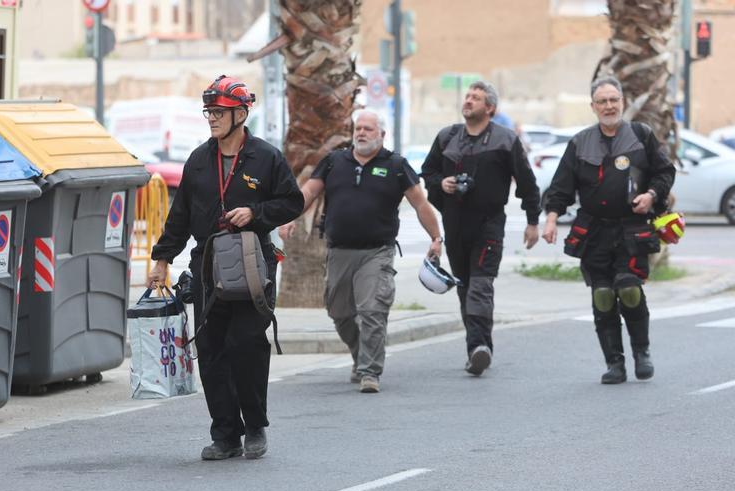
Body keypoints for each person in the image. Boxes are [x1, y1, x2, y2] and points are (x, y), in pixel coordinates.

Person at [148, 75, 303, 460]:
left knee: (246, 343)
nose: (212, 119)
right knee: (213, 347)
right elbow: (179, 215)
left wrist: (256, 212)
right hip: (207, 266)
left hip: (253, 262)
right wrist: (162, 259)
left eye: (219, 112)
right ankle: (226, 436)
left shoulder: (266, 158)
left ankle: (255, 428)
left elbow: (293, 202)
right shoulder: (199, 161)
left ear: (241, 114)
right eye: (209, 112)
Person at [280, 109, 442, 393]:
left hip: (376, 252)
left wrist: (436, 237)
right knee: (339, 311)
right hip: (339, 250)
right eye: (359, 128)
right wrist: (289, 217)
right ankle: (360, 354)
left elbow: (420, 204)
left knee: (372, 310)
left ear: (382, 134)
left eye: (368, 128)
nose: (362, 133)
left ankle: (370, 371)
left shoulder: (395, 165)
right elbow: (308, 192)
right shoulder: (334, 162)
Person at [542, 76, 675, 384]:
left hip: (632, 229)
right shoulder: (579, 142)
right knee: (602, 295)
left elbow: (665, 171)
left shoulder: (641, 135)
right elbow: (561, 188)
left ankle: (642, 352)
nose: (609, 106)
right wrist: (551, 219)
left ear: (622, 102)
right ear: (593, 107)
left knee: (628, 289)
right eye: (602, 101)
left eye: (613, 99)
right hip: (593, 232)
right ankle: (614, 363)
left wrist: (652, 195)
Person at [421, 80, 541, 377]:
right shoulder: (447, 137)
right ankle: (478, 347)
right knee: (464, 286)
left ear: (490, 108)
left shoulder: (505, 139)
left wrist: (532, 221)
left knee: (481, 284)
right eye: (468, 96)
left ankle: (478, 346)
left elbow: (527, 183)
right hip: (455, 222)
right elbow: (428, 172)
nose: (469, 100)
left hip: (489, 223)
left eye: (476, 97)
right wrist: (442, 184)